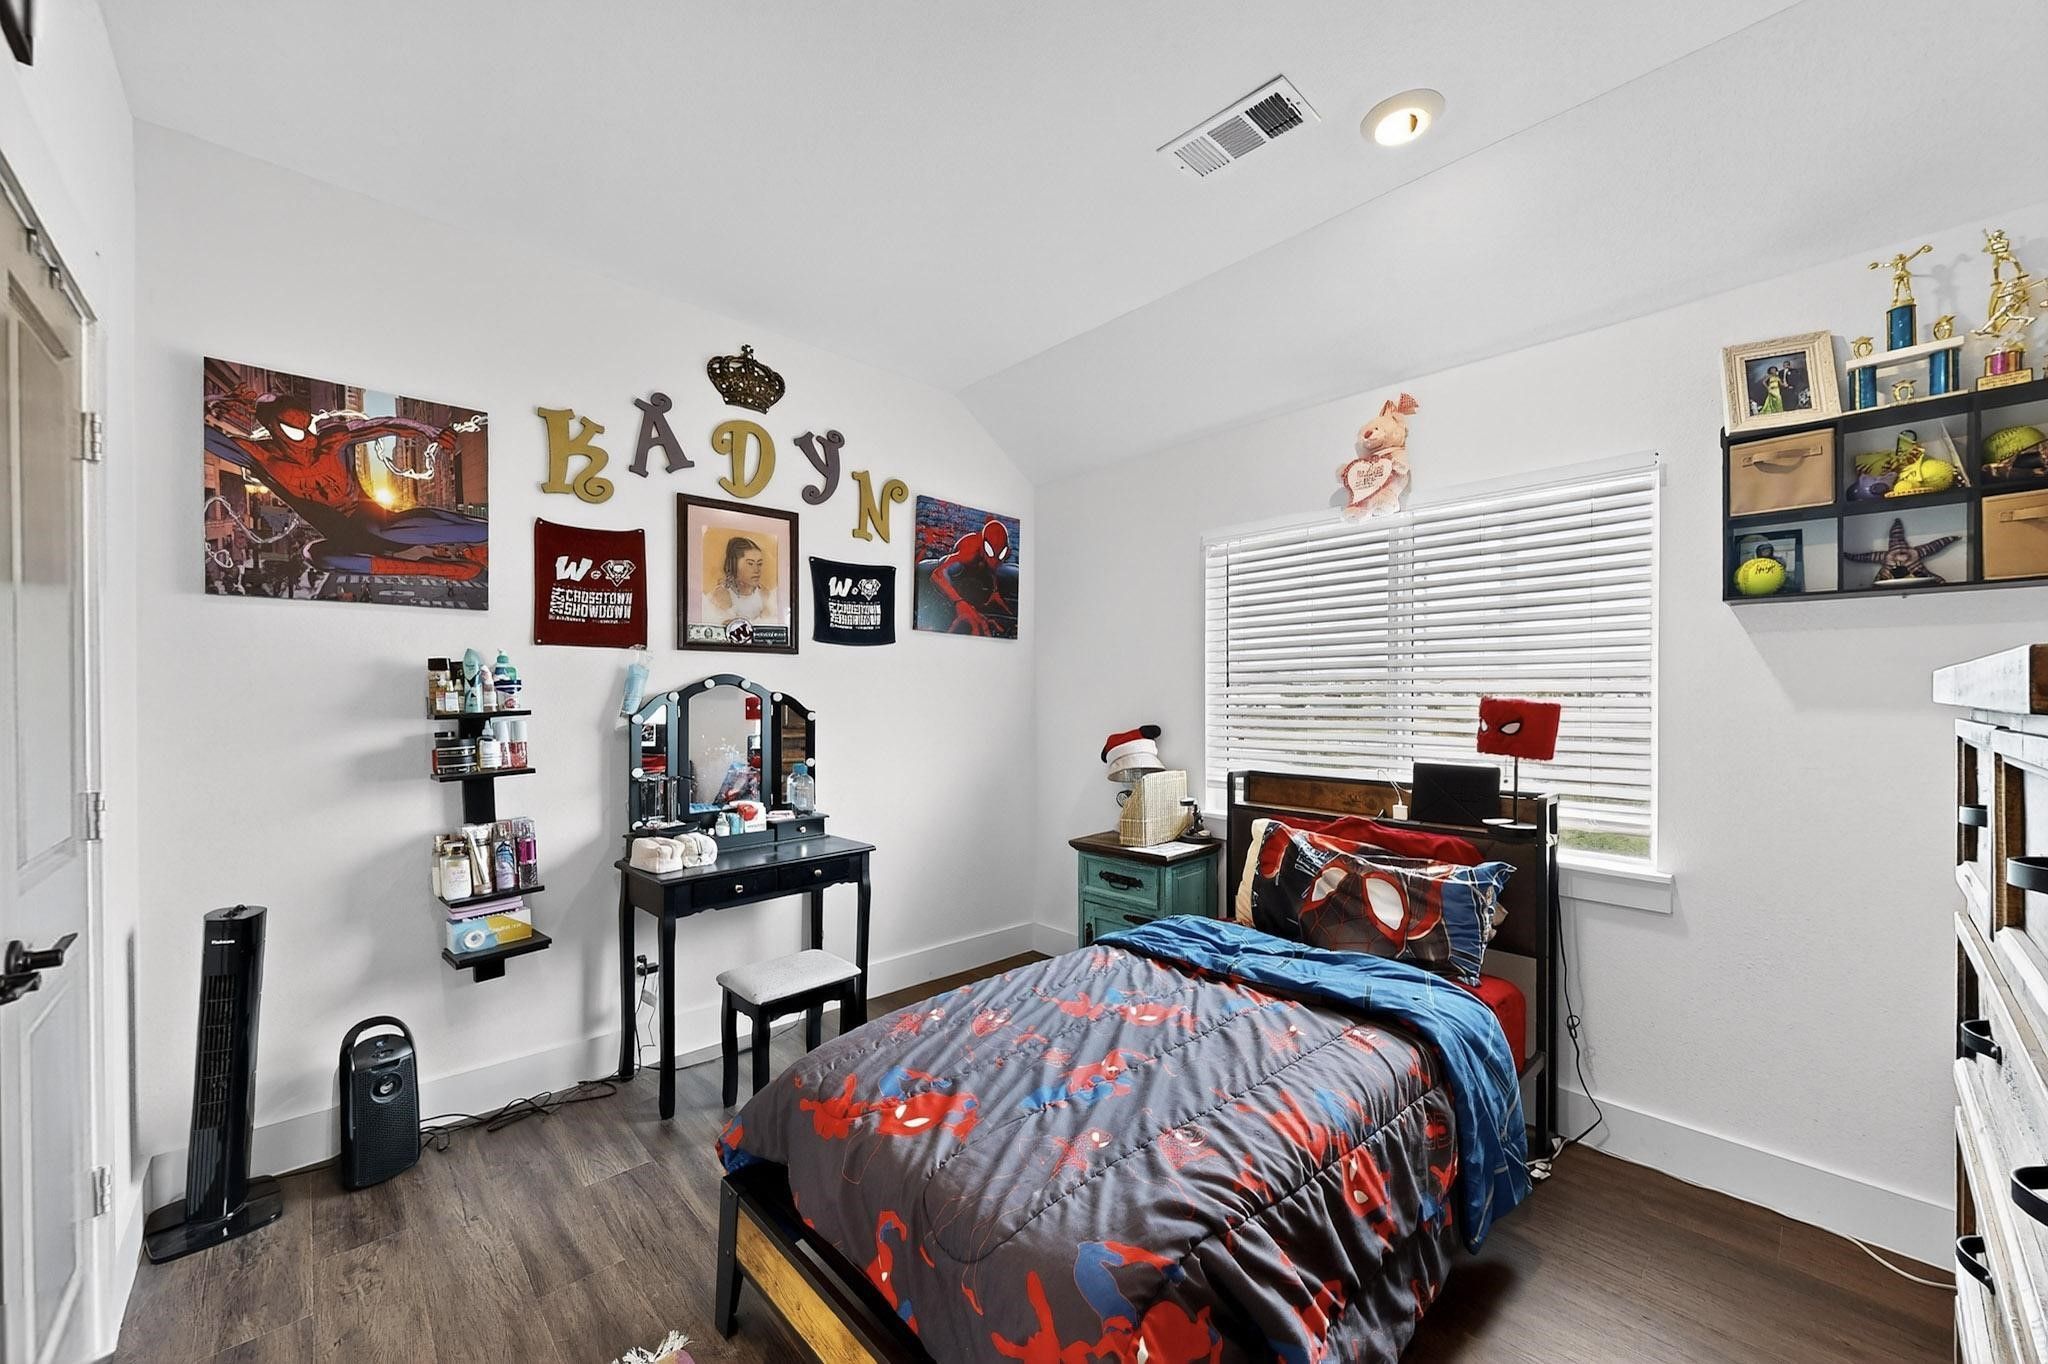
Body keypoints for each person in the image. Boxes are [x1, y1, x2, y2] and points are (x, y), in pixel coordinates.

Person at [203, 388, 486, 583]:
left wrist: (429, 431)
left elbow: (384, 424)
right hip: (344, 541)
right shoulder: (262, 458)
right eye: (296, 432)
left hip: (374, 522)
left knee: (380, 528)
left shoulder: (331, 440)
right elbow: (205, 434)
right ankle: (440, 569)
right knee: (314, 554)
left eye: (310, 427)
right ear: (274, 429)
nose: (309, 439)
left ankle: (482, 535)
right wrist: (215, 400)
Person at [700, 534, 775, 626]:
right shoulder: (719, 597)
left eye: (759, 564)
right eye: (750, 564)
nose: (757, 570)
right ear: (733, 564)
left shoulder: (764, 595)